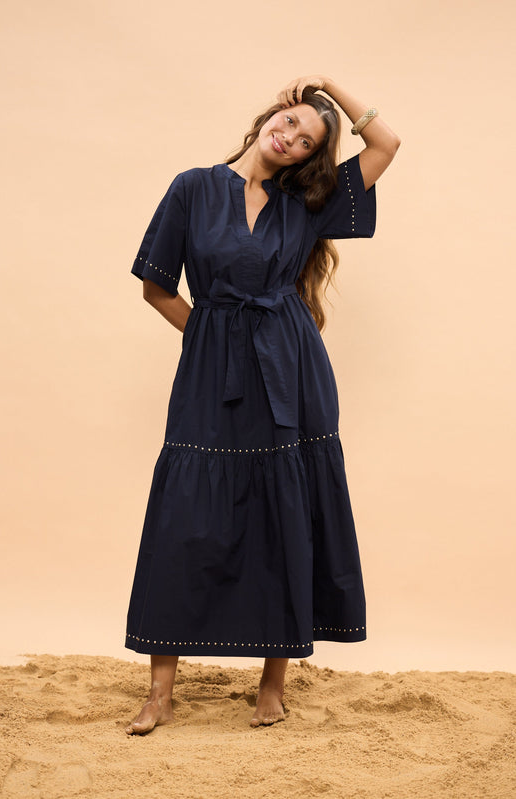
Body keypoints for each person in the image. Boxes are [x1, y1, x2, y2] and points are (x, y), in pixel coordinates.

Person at [124, 74, 400, 734]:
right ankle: (160, 692)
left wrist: (330, 84)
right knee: (184, 514)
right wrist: (211, 340)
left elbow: (386, 144)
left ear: (309, 158)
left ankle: (272, 682)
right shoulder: (193, 188)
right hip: (213, 368)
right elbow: (156, 287)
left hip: (290, 366)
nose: (292, 139)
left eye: (308, 141)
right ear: (272, 114)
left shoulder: (308, 202)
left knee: (285, 508)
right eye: (292, 122)